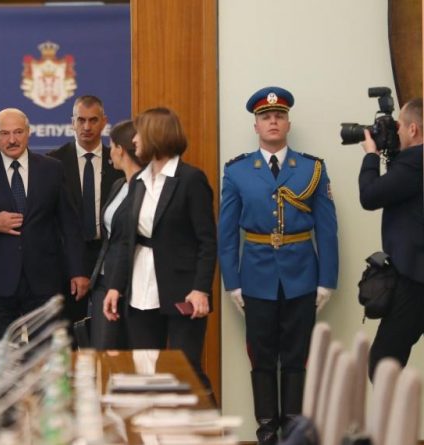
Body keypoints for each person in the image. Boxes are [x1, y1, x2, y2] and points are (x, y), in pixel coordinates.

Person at [218, 86, 338, 444]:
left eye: (279, 116)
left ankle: (295, 434)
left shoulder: (312, 169)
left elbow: (327, 229)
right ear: (255, 126)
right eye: (266, 117)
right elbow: (227, 233)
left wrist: (327, 280)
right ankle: (267, 433)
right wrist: (232, 282)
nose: (273, 121)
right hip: (255, 278)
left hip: (303, 276)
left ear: (288, 123)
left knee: (298, 358)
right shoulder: (237, 171)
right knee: (262, 358)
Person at [0, 108, 89, 349]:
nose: (12, 139)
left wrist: (78, 271)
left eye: (17, 132)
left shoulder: (52, 169)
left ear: (28, 132)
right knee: (4, 356)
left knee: (45, 353)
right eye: (4, 133)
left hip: (43, 279)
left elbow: (69, 224)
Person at [103, 108, 216, 389]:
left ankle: (205, 419)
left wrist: (201, 289)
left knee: (185, 372)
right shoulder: (139, 181)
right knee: (145, 372)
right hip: (140, 290)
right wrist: (115, 287)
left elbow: (207, 241)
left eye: (139, 134)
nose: (134, 140)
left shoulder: (191, 179)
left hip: (183, 291)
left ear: (156, 135)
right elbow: (127, 240)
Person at [360, 97, 424, 379]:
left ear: (413, 129)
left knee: (383, 363)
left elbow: (370, 196)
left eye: (399, 126)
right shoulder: (412, 164)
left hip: (415, 281)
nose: (396, 132)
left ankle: (393, 411)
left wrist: (371, 156)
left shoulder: (415, 163)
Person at [48, 96, 123, 324]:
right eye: (81, 120)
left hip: (109, 257)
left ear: (104, 122)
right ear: (72, 122)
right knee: (69, 332)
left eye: (93, 120)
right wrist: (75, 267)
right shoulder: (53, 162)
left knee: (108, 331)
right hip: (66, 261)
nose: (87, 127)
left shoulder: (119, 162)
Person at [87, 120, 144, 349]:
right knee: (102, 352)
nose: (109, 151)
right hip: (103, 280)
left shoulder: (146, 188)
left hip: (131, 284)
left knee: (126, 355)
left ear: (120, 149)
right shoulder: (119, 184)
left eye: (111, 146)